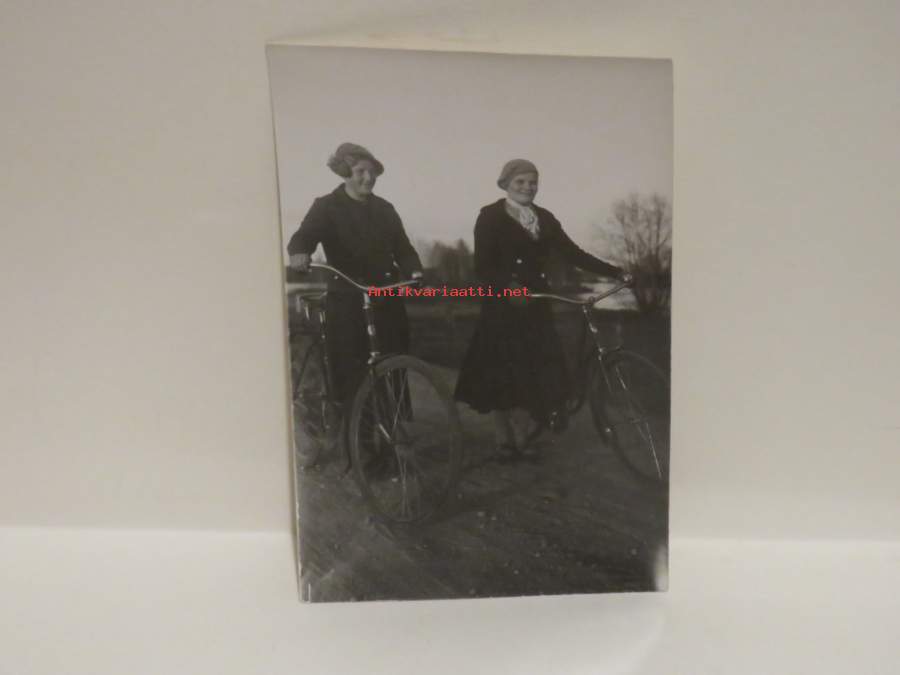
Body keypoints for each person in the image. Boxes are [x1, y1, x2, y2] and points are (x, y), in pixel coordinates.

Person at [454, 159, 630, 460]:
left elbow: (573, 253)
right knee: (503, 371)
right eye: (520, 182)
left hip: (536, 304)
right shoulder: (490, 216)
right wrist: (509, 286)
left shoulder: (545, 219)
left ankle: (524, 436)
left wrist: (615, 272)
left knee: (533, 370)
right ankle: (504, 440)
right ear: (506, 183)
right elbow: (483, 266)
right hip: (503, 306)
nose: (528, 187)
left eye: (533, 182)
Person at [287, 142, 423, 406]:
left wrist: (414, 270)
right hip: (347, 296)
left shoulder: (385, 209)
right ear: (345, 173)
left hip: (385, 295)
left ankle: (392, 423)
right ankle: (353, 424)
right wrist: (299, 252)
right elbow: (303, 237)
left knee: (395, 359)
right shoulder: (327, 207)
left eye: (372, 172)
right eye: (361, 171)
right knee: (351, 368)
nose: (368, 178)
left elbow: (403, 248)